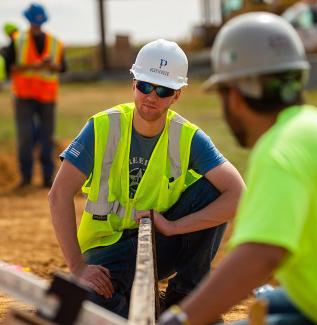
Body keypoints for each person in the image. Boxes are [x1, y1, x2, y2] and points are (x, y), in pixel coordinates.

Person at [49, 39, 245, 318]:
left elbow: (238, 194)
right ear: (133, 83)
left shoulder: (187, 136)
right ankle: (145, 312)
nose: (151, 96)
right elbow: (58, 194)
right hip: (105, 249)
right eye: (144, 85)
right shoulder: (103, 126)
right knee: (82, 303)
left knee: (214, 189)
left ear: (177, 95)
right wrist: (78, 268)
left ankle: (184, 299)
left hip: (158, 243)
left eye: (163, 90)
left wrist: (174, 227)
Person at [158, 12, 317, 325]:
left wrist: (180, 320)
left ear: (234, 95)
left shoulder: (279, 150)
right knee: (269, 302)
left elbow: (261, 254)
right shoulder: (313, 127)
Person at [5, 3, 66, 188]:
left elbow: (62, 67)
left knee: (46, 137)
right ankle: (26, 177)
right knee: (26, 136)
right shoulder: (18, 40)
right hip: (24, 95)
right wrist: (34, 67)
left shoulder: (55, 42)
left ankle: (47, 178)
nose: (36, 25)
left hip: (47, 96)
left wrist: (50, 66)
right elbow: (9, 67)